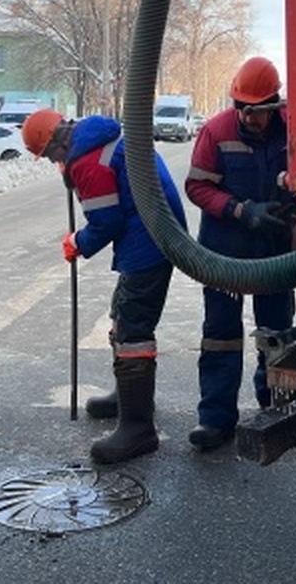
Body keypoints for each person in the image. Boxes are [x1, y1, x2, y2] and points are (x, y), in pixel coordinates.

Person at [22, 108, 188, 464]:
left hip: (150, 240)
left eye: (51, 157)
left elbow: (106, 221)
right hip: (157, 232)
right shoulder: (98, 137)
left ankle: (138, 428)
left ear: (56, 144)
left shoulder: (87, 160)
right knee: (121, 314)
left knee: (133, 329)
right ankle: (127, 398)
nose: (55, 163)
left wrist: (77, 242)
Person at [183, 55, 296, 452]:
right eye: (241, 109)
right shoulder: (216, 131)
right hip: (225, 253)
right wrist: (241, 210)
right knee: (220, 336)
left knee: (277, 334)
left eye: (256, 111)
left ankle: (277, 409)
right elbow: (197, 187)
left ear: (273, 105)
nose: (248, 118)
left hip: (274, 253)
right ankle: (215, 420)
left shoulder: (292, 128)